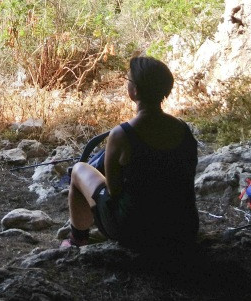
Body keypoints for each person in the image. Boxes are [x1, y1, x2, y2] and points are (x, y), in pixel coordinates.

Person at [61, 56, 199, 250]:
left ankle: (77, 240)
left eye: (128, 80)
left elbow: (114, 191)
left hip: (135, 231)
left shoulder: (123, 134)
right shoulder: (183, 129)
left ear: (134, 90)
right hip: (183, 227)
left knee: (78, 170)